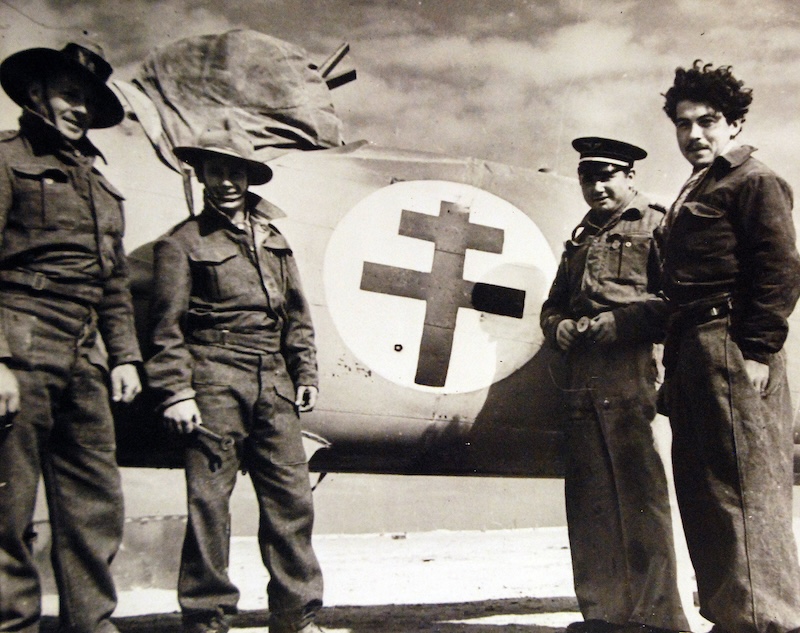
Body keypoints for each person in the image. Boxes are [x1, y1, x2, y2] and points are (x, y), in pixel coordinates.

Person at [144, 123, 325, 633]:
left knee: (292, 500)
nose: (226, 181)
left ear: (249, 177)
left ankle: (297, 616)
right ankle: (207, 619)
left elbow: (296, 313)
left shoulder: (274, 241)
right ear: (200, 175)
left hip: (273, 377)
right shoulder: (180, 243)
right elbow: (166, 328)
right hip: (213, 375)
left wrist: (304, 369)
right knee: (209, 503)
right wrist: (178, 390)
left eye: (235, 172)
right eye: (216, 171)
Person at [0, 41, 142, 633]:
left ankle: (93, 624)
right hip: (21, 342)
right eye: (69, 95)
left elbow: (113, 283)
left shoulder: (102, 187)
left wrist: (125, 357)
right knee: (6, 510)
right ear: (36, 95)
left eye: (87, 101)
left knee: (94, 505)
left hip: (86, 356)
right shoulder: (5, 161)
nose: (79, 109)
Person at [659, 60, 800, 633]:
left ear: (735, 123)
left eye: (708, 121)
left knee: (744, 488)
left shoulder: (753, 180)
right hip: (692, 344)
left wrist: (758, 350)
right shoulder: (699, 185)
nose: (694, 135)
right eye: (683, 124)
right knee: (702, 487)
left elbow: (779, 269)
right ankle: (730, 617)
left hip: (730, 341)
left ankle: (768, 622)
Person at [540, 137, 689, 633]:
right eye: (588, 176)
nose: (597, 186)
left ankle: (659, 618)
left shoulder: (657, 224)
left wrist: (614, 325)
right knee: (590, 498)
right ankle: (602, 614)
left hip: (634, 366)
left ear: (630, 178)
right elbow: (554, 302)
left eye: (608, 175)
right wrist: (556, 325)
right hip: (582, 373)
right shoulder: (581, 236)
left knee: (643, 494)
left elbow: (676, 300)